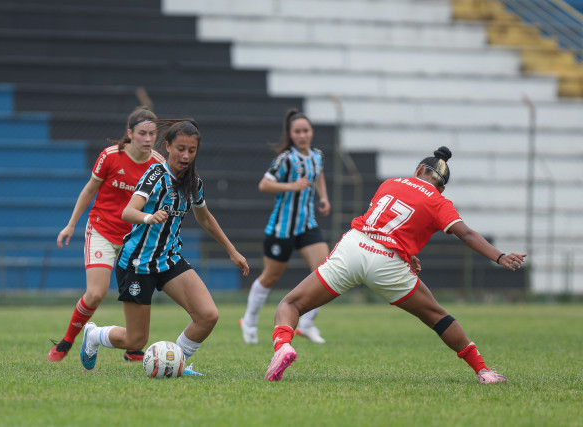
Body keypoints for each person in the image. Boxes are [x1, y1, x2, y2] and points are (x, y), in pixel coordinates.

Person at [264, 146, 526, 384]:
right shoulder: (439, 201)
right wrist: (499, 256)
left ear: (418, 170)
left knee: (291, 304)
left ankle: (283, 346)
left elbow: (383, 222)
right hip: (387, 265)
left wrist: (406, 251)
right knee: (437, 317)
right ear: (442, 187)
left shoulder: (390, 183)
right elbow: (466, 234)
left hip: (355, 246)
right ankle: (483, 371)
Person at [79, 119, 249, 375]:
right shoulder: (154, 176)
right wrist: (149, 217)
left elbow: (205, 218)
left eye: (191, 150)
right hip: (137, 263)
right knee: (136, 341)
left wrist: (232, 251)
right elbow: (128, 212)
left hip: (168, 261)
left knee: (207, 315)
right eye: (180, 148)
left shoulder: (194, 183)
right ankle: (94, 335)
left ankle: (177, 363)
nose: (186, 155)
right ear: (167, 146)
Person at [47, 106, 165, 363]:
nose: (147, 139)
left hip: (134, 239)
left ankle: (133, 346)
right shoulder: (110, 156)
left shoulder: (159, 164)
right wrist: (70, 225)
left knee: (137, 290)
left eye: (152, 134)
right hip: (102, 230)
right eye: (142, 133)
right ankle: (67, 341)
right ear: (129, 133)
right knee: (96, 293)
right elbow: (89, 190)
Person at [240, 108, 332, 345]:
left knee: (326, 271)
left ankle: (307, 323)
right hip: (282, 228)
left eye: (306, 130)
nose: (302, 135)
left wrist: (323, 197)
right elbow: (264, 185)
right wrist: (292, 186)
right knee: (270, 277)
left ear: (311, 132)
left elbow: (318, 175)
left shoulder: (317, 156)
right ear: (291, 135)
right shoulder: (285, 159)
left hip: (307, 225)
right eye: (297, 131)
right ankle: (248, 321)